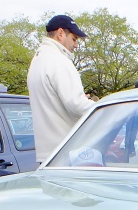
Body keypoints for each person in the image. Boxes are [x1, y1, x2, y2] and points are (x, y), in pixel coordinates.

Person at [27, 14, 95, 163]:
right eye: (74, 39)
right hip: (66, 152)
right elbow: (76, 104)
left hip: (46, 154)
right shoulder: (59, 60)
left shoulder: (38, 60)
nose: (76, 45)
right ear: (60, 34)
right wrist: (103, 109)